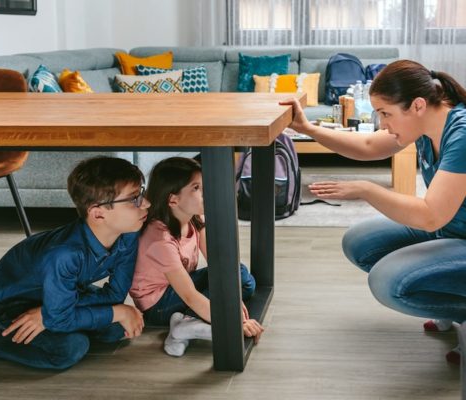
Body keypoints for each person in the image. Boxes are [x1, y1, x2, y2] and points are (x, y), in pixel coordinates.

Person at [281, 60, 466, 364]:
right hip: (453, 229)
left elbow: (431, 215)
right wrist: (307, 128)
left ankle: (460, 312)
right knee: (361, 241)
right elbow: (366, 145)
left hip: (452, 230)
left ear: (417, 105)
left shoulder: (461, 134)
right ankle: (447, 304)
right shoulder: (424, 125)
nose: (382, 124)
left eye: (385, 114)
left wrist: (366, 189)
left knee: (387, 281)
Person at [0, 156, 150, 369]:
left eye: (142, 193)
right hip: (9, 301)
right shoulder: (64, 255)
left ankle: (63, 317)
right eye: (134, 198)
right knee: (70, 348)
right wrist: (117, 312)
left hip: (64, 292)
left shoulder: (128, 235)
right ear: (98, 214)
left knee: (116, 329)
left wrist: (51, 314)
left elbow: (114, 295)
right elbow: (113, 305)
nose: (146, 203)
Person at [130, 157, 264, 357]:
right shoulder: (160, 240)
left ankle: (187, 323)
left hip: (179, 289)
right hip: (158, 305)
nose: (207, 192)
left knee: (241, 276)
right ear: (173, 199)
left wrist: (232, 298)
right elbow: (189, 295)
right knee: (226, 286)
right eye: (197, 188)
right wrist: (234, 322)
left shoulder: (193, 217)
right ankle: (183, 325)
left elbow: (219, 264)